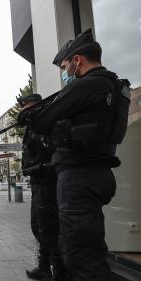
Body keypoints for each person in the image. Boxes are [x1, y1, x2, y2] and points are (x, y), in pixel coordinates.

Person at [33, 29, 130, 280]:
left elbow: (43, 121)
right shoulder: (115, 86)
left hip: (79, 176)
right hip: (98, 172)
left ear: (78, 61)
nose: (64, 72)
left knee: (81, 257)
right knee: (90, 248)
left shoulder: (87, 85)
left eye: (65, 66)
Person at [17, 94, 66, 281]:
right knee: (38, 227)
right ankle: (44, 266)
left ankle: (60, 273)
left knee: (49, 230)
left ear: (34, 106)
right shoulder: (34, 125)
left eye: (24, 106)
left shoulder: (46, 123)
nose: (22, 110)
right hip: (38, 182)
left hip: (47, 183)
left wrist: (41, 168)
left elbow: (52, 152)